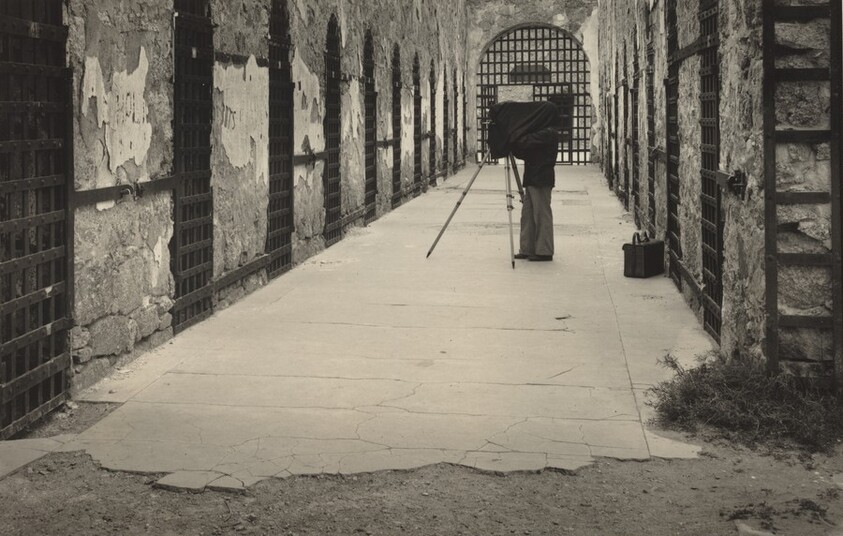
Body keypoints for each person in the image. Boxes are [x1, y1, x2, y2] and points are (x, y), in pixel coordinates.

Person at [512, 125, 560, 262]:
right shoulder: (539, 133)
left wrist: (514, 133)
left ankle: (544, 251)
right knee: (527, 216)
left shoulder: (547, 133)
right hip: (532, 179)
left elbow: (525, 142)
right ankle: (527, 248)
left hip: (541, 179)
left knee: (541, 215)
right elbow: (523, 150)